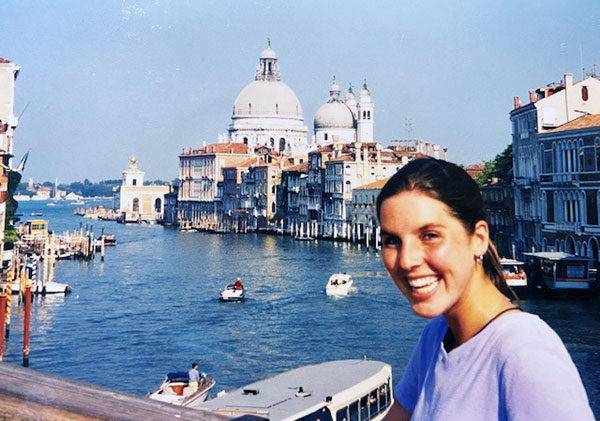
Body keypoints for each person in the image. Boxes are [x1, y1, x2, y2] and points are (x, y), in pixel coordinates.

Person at [377, 158, 594, 420]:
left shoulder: (526, 352)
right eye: (391, 241)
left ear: (478, 239)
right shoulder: (438, 336)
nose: (406, 260)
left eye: (430, 236)